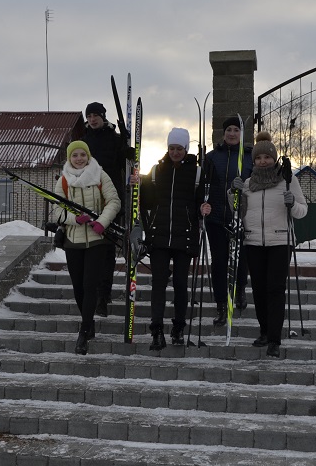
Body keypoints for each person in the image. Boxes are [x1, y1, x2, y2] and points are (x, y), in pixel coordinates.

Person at [229, 132, 308, 357]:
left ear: (274, 158)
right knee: (259, 290)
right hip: (253, 241)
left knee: (275, 289)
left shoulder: (287, 180)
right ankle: (264, 331)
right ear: (253, 161)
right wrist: (232, 192)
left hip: (280, 242)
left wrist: (292, 204)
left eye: (267, 157)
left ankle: (274, 338)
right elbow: (237, 209)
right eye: (259, 157)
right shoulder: (247, 184)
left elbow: (302, 210)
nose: (263, 161)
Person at [135, 128, 211, 351]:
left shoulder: (197, 173)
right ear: (167, 149)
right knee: (158, 284)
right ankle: (156, 330)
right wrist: (136, 185)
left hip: (185, 236)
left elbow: (201, 203)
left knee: (180, 284)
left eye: (179, 148)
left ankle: (178, 326)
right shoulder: (157, 170)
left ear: (186, 149)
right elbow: (146, 201)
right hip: (159, 235)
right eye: (171, 148)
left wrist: (204, 208)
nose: (175, 152)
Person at [52, 140, 121, 355]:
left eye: (83, 154)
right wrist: (74, 219)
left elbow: (114, 201)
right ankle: (88, 321)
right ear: (69, 158)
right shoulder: (63, 180)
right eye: (75, 155)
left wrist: (102, 221)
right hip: (73, 241)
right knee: (78, 287)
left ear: (88, 156)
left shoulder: (100, 175)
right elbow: (57, 209)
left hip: (97, 239)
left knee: (90, 284)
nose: (79, 158)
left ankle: (83, 331)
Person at [82, 102, 134, 317]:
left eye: (96, 115)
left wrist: (127, 148)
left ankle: (104, 296)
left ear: (103, 117)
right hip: (87, 200)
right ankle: (91, 294)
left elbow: (127, 160)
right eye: (90, 115)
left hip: (111, 201)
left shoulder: (114, 139)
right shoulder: (82, 141)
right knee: (89, 250)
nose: (93, 119)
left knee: (106, 251)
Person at [204, 116, 253, 326]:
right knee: (220, 262)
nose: (232, 133)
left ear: (241, 134)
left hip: (241, 216)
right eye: (228, 130)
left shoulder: (249, 157)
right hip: (216, 217)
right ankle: (221, 304)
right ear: (223, 134)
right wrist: (203, 205)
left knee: (241, 259)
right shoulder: (213, 157)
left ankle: (240, 288)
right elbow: (204, 185)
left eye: (236, 130)